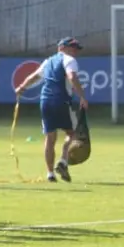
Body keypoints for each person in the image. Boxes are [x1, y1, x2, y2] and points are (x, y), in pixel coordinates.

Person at [16, 37, 87, 182]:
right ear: (62, 47)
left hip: (45, 100)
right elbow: (72, 76)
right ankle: (62, 161)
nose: (75, 51)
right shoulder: (69, 60)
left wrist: (22, 87)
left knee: (50, 137)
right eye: (73, 48)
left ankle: (50, 173)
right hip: (62, 100)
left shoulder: (48, 61)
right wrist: (82, 97)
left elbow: (34, 77)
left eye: (76, 49)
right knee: (74, 134)